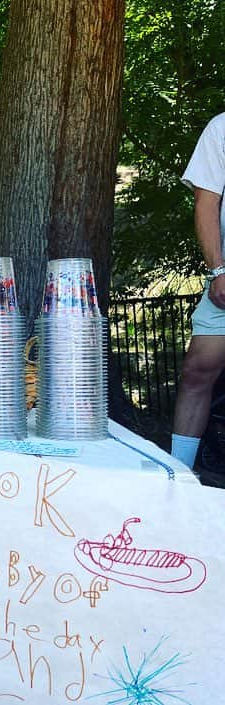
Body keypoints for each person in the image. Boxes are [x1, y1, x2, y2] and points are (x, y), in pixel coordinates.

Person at [171, 112, 225, 476]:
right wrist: (218, 270)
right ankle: (178, 479)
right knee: (197, 371)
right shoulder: (222, 128)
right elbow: (206, 203)